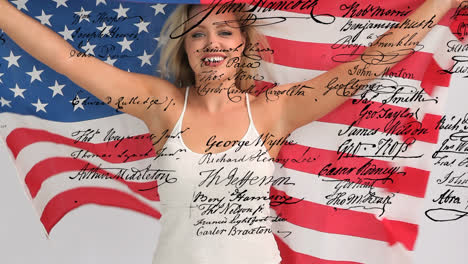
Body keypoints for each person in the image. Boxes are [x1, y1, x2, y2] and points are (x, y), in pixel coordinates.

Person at [0, 0, 461, 263]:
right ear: (186, 48)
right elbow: (64, 58)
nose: (211, 43)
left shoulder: (273, 112)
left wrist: (441, 1)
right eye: (197, 34)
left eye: (224, 32)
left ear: (244, 45)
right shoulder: (162, 106)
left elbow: (369, 65)